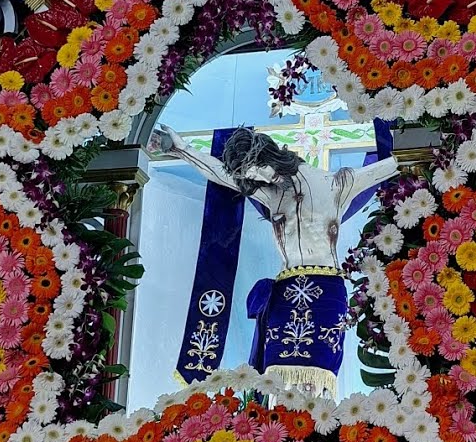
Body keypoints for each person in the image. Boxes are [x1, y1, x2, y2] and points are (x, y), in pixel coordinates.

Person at [149, 124, 398, 395]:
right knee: (278, 383)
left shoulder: (338, 184)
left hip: (326, 292)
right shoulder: (270, 193)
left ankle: (317, 434)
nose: (255, 177)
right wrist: (181, 149)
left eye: (255, 170)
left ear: (268, 156)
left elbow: (390, 167)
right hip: (285, 292)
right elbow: (220, 175)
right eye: (249, 175)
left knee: (317, 380)